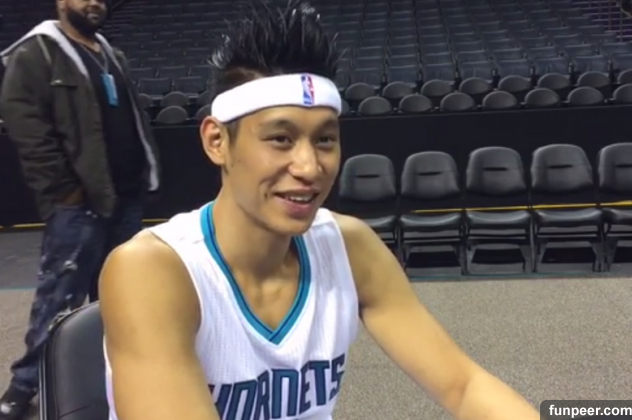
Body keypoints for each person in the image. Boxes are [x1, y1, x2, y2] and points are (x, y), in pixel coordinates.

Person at [100, 2, 539, 420]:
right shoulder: (153, 270)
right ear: (217, 141)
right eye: (281, 139)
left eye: (325, 139)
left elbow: (463, 386)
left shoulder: (349, 246)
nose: (310, 168)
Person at [0, 0, 160, 418]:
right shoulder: (37, 52)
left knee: (120, 295)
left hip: (124, 197)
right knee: (58, 300)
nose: (95, 3)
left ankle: (109, 372)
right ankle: (25, 385)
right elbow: (26, 127)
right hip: (79, 205)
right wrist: (64, 191)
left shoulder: (111, 53)